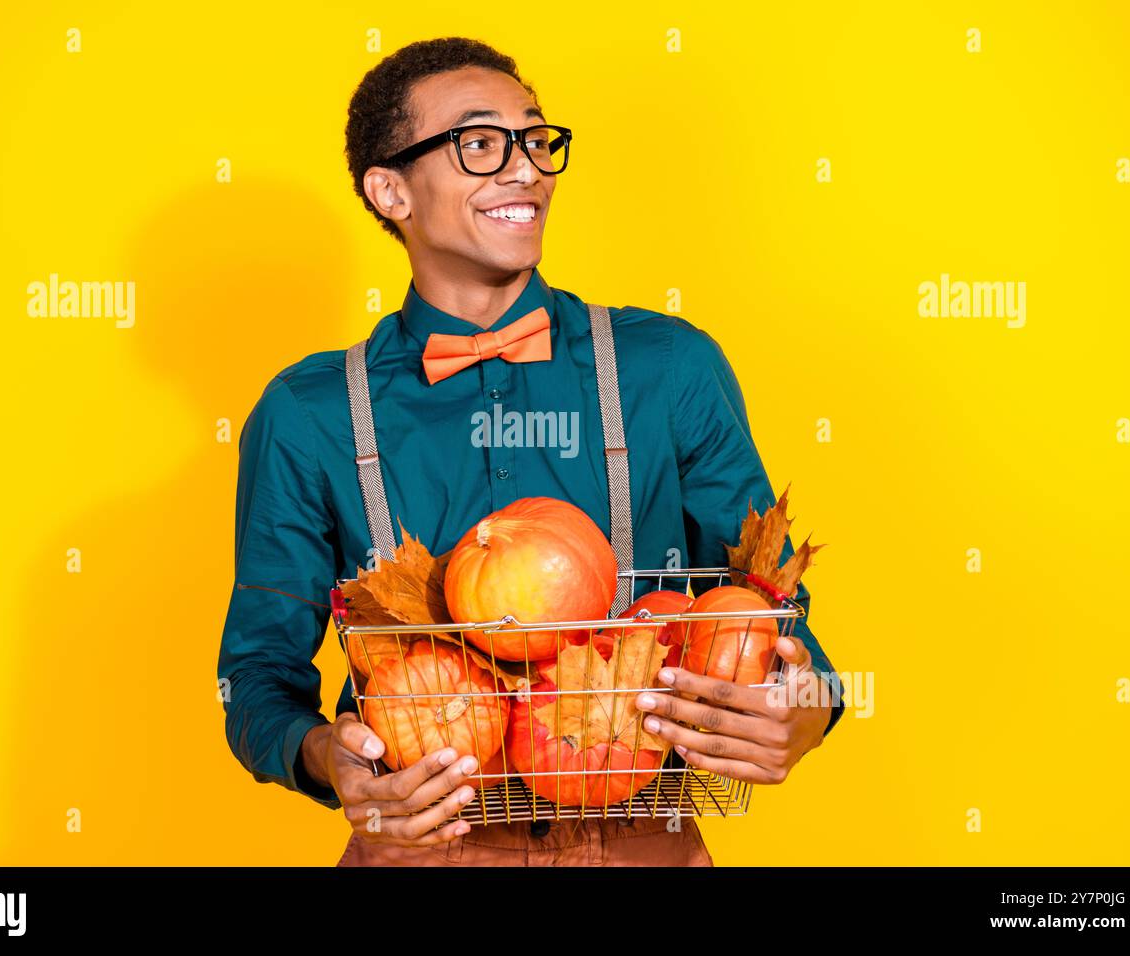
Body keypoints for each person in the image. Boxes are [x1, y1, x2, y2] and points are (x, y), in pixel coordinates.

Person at [217, 36, 845, 867]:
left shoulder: (670, 367)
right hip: (423, 848)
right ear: (390, 189)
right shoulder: (309, 414)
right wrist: (328, 759)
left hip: (645, 844)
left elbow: (769, 611)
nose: (526, 171)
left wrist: (802, 710)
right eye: (481, 145)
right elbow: (257, 675)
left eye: (537, 141)